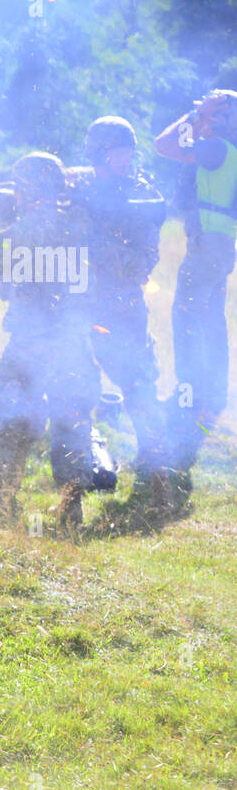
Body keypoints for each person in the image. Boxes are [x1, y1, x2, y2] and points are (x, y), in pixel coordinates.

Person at [0, 152, 112, 526]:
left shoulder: (16, 234)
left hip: (29, 346)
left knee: (3, 420)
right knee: (73, 423)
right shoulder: (83, 224)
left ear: (25, 190)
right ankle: (71, 508)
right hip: (74, 345)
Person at [67, 116, 172, 517]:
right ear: (99, 153)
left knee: (138, 381)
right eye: (117, 151)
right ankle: (78, 464)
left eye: (129, 151)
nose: (125, 158)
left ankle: (156, 462)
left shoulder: (140, 195)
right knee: (73, 381)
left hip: (121, 306)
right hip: (80, 302)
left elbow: (144, 256)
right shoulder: (81, 190)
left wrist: (109, 256)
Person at [154, 90, 237, 500]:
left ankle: (188, 396)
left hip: (207, 247)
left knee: (187, 320)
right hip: (218, 245)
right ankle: (211, 393)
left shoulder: (218, 148)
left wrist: (193, 113)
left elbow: (164, 145)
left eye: (212, 115)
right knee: (208, 321)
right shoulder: (225, 148)